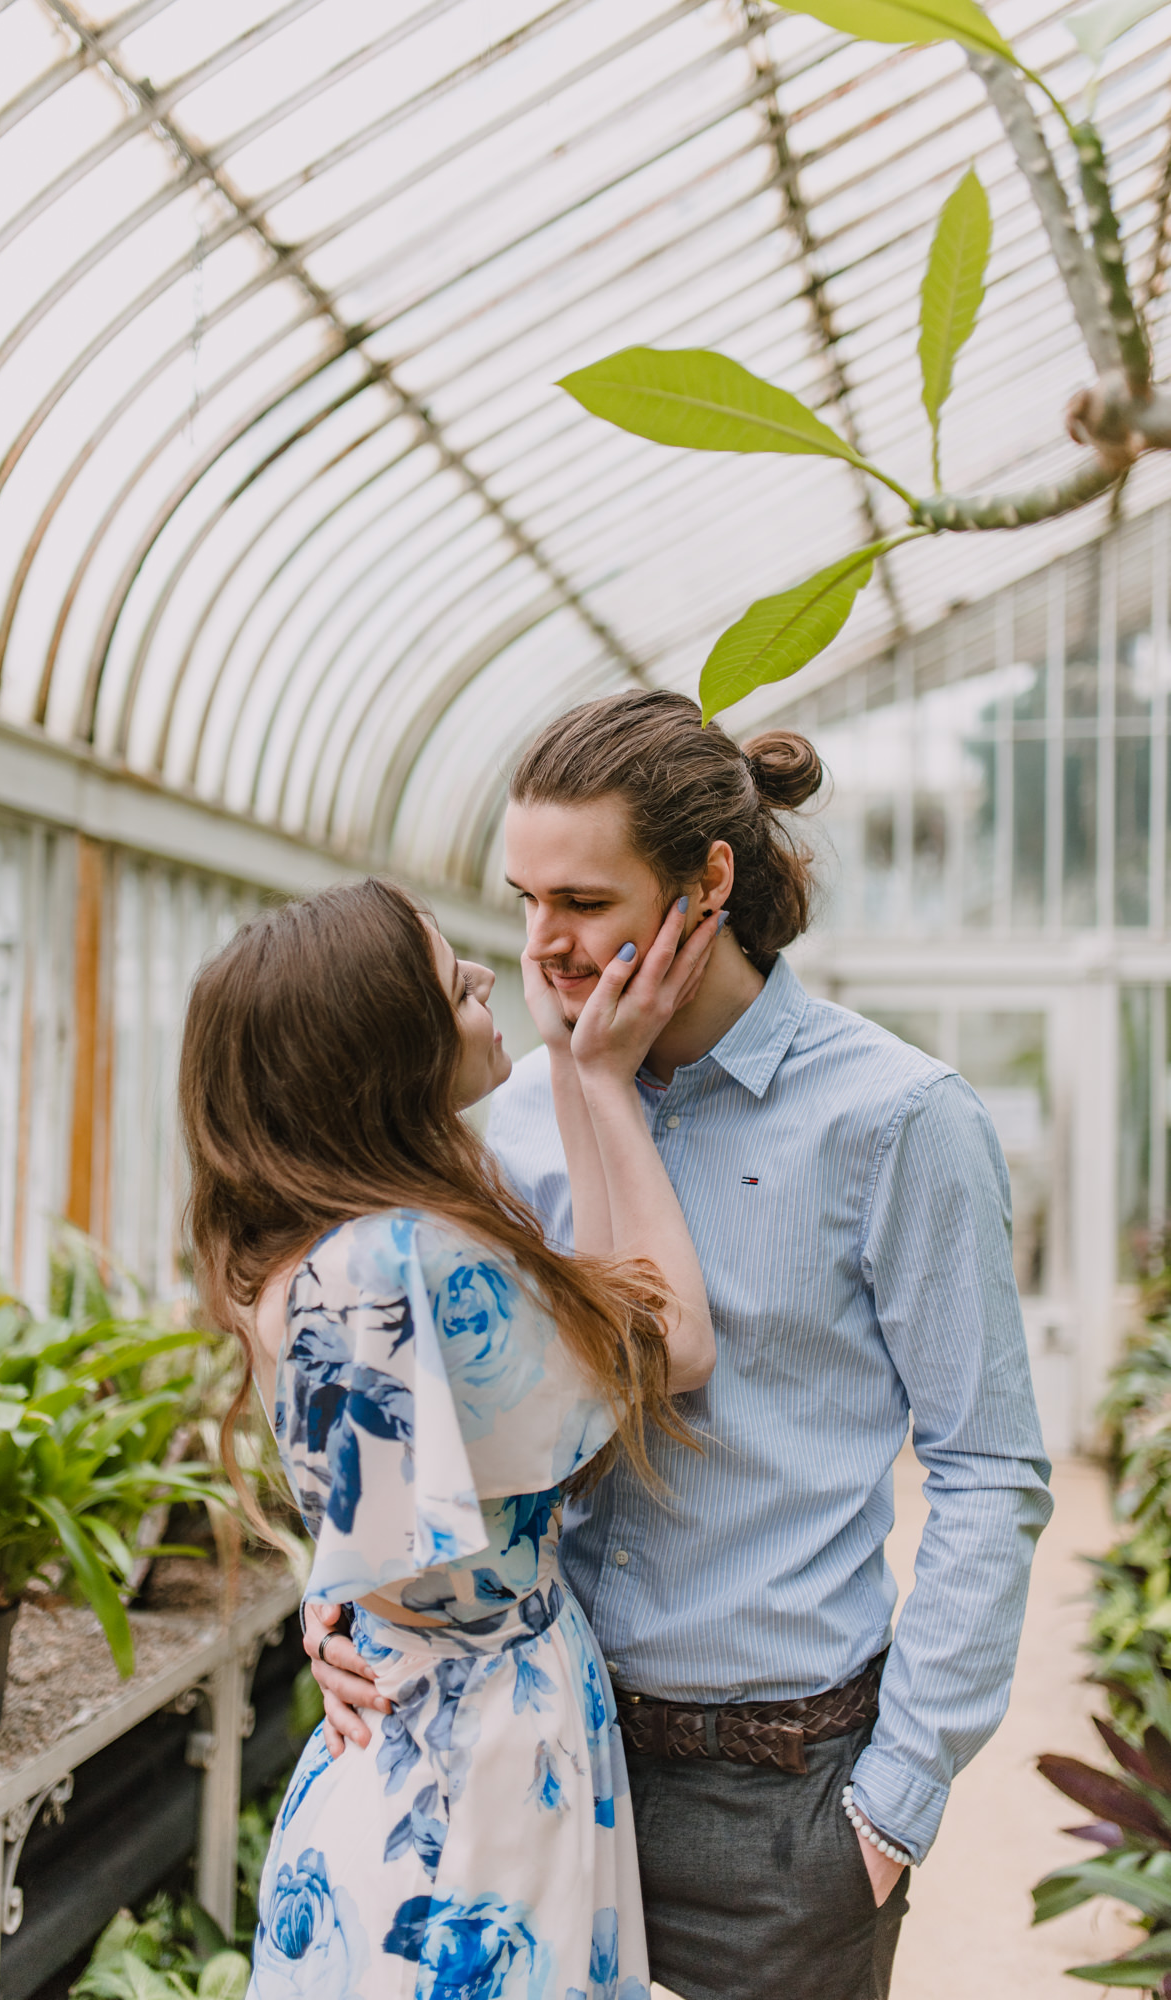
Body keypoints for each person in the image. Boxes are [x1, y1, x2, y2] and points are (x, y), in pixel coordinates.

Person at [305, 690, 1055, 2000]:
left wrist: (887, 1807)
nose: (541, 945)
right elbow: (403, 1386)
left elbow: (987, 1472)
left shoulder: (894, 1121)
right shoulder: (508, 1108)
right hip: (535, 1768)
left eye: (583, 903)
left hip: (775, 1801)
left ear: (708, 879)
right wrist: (338, 1599)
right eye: (523, 898)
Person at [177, 872, 722, 1999]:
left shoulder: (314, 1249)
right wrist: (608, 1082)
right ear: (379, 1045)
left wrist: (577, 1066)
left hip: (409, 1724)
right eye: (448, 973)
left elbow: (381, 1540)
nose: (486, 973)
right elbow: (668, 1341)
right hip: (474, 1779)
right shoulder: (398, 1260)